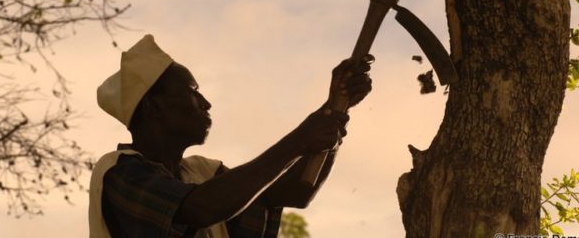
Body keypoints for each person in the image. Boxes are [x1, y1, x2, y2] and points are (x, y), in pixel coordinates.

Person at [88, 34, 373, 237]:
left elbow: (295, 191)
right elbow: (201, 208)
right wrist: (301, 138)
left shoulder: (202, 173)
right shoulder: (119, 171)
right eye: (192, 91)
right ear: (154, 106)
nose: (205, 103)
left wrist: (334, 110)